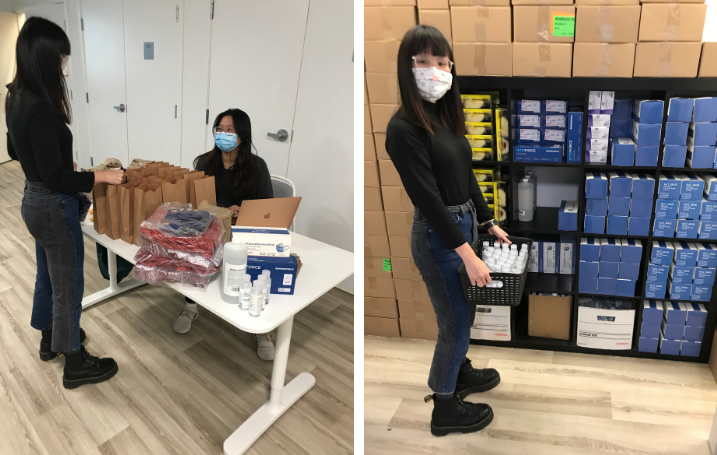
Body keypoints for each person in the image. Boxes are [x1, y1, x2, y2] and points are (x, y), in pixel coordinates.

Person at [385, 25, 511, 436]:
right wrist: (467, 253)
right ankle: (444, 407)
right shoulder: (404, 128)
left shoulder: (442, 116)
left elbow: (466, 175)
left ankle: (459, 370)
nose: (434, 69)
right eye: (424, 62)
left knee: (465, 312)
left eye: (441, 62)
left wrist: (488, 220)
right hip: (439, 234)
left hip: (463, 225)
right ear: (408, 68)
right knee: (454, 323)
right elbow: (428, 199)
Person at [5, 17, 126, 389]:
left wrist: (49, 158)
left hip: (33, 201)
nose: (65, 68)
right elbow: (57, 179)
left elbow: (13, 148)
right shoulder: (40, 107)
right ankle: (75, 361)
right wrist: (100, 176)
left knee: (48, 275)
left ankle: (49, 340)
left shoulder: (15, 95)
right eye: (61, 58)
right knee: (69, 285)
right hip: (53, 207)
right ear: (45, 58)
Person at [172, 109, 276, 360]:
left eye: (230, 129)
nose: (223, 134)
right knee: (191, 247)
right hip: (211, 226)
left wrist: (244, 211)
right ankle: (190, 307)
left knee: (260, 263)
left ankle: (262, 328)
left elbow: (267, 207)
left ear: (242, 135)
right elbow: (196, 203)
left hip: (245, 230)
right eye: (219, 128)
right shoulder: (204, 163)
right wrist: (221, 211)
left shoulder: (257, 166)